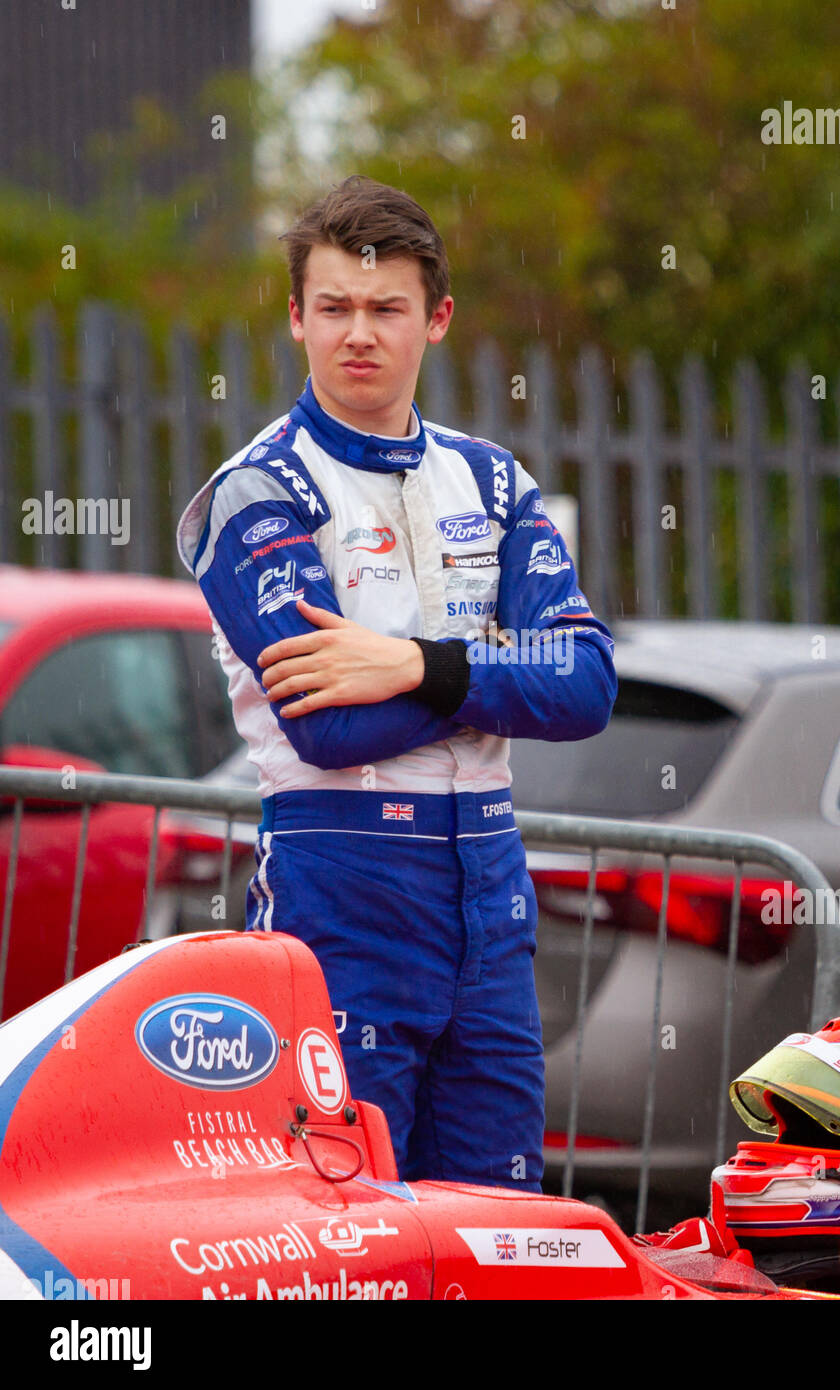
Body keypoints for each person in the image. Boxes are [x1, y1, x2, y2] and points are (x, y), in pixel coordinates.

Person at [175, 175, 617, 1191]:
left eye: (386, 308)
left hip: (491, 891)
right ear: (295, 318)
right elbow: (329, 728)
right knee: (348, 1228)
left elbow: (589, 683)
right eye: (332, 308)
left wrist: (414, 662)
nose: (358, 334)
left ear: (437, 319)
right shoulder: (255, 491)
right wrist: (500, 677)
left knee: (492, 1226)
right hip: (342, 885)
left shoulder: (494, 481)